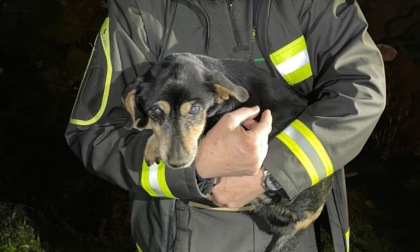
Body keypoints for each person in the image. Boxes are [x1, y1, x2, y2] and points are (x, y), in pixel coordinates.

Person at [65, 0, 386, 251]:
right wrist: (196, 170)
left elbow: (362, 89)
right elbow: (94, 131)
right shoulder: (140, 9)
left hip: (294, 213)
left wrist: (271, 174)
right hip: (187, 230)